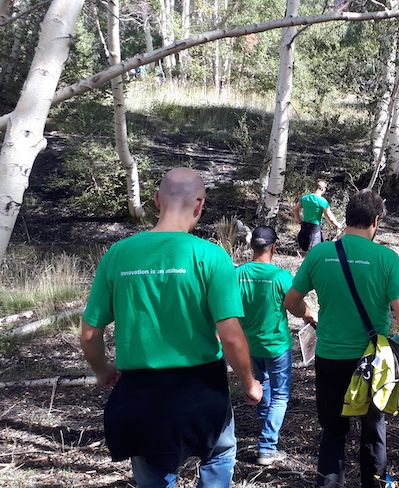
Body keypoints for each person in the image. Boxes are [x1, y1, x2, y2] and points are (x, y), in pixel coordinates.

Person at [79, 167, 262, 487]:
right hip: (202, 390)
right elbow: (231, 336)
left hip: (141, 394)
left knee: (154, 472)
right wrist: (249, 382)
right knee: (219, 453)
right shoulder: (212, 256)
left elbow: (90, 333)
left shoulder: (119, 254)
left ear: (156, 201)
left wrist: (103, 370)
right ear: (200, 204)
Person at [283, 190, 399, 488]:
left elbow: (291, 300)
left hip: (330, 357)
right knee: (373, 429)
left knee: (333, 431)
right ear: (375, 220)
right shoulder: (386, 258)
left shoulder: (319, 254)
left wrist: (309, 315)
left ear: (347, 219)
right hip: (374, 362)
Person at [237, 226, 317, 466]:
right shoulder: (281, 277)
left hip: (250, 345)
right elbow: (295, 306)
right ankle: (267, 447)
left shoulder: (238, 274)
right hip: (276, 346)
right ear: (274, 247)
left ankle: (265, 427)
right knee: (280, 395)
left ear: (252, 247)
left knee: (262, 387)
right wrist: (310, 315)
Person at [293, 180, 343, 252]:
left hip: (304, 227)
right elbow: (330, 217)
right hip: (314, 228)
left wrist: (298, 220)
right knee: (315, 251)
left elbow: (295, 209)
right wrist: (337, 224)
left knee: (308, 250)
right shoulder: (322, 201)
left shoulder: (305, 198)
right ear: (322, 189)